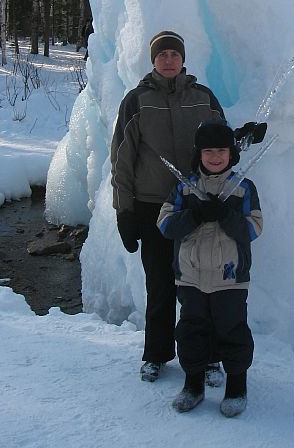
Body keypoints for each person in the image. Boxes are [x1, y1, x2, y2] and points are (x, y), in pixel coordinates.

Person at [111, 30, 224, 383]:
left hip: (196, 207)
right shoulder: (137, 100)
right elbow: (122, 160)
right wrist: (124, 212)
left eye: (175, 54)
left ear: (183, 59)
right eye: (163, 55)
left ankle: (208, 357)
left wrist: (244, 136)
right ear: (153, 60)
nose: (169, 60)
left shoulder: (203, 97)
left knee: (201, 287)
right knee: (160, 286)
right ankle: (156, 355)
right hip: (152, 208)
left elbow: (221, 145)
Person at [157, 118, 263, 417]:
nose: (215, 157)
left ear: (231, 153)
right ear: (198, 154)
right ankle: (193, 385)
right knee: (191, 331)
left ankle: (237, 386)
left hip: (230, 276)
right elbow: (165, 224)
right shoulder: (184, 188)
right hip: (190, 276)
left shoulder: (243, 188)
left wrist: (226, 215)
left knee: (232, 329)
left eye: (221, 151)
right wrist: (195, 215)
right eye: (208, 151)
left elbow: (254, 228)